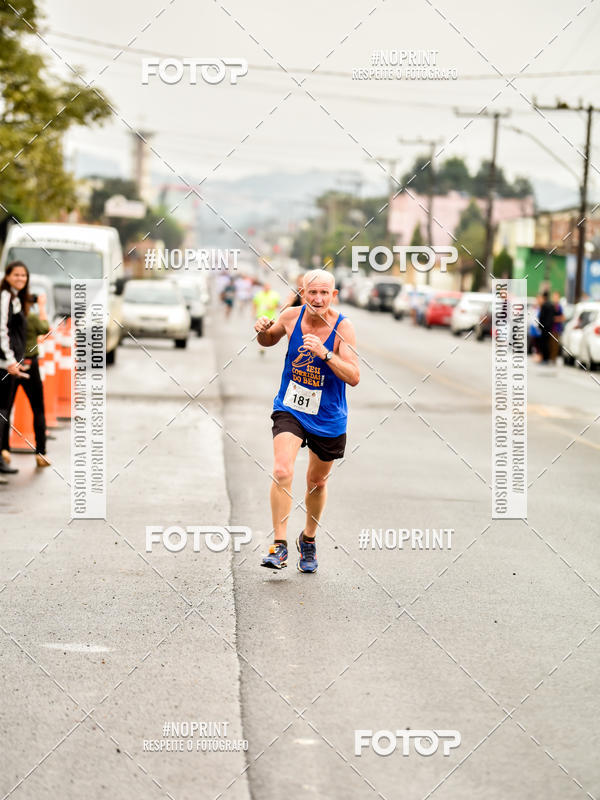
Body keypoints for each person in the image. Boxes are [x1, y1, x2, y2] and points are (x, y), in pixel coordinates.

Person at [254, 269, 360, 573]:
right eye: (312, 292)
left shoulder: (344, 328)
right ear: (303, 292)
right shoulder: (290, 317)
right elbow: (267, 340)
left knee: (317, 481)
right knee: (282, 469)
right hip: (291, 407)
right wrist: (262, 328)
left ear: (333, 296)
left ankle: (308, 539)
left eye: (324, 293)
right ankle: (280, 545)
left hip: (328, 416)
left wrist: (325, 354)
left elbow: (354, 376)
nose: (317, 298)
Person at [2, 290, 51, 467]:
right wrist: (42, 306)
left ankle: (4, 449)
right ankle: (41, 452)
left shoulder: (13, 317)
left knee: (6, 408)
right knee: (38, 408)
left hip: (13, 364)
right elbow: (45, 328)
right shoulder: (31, 317)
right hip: (31, 364)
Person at [0, 261, 31, 480]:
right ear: (8, 276)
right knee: (1, 412)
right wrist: (9, 360)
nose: (20, 278)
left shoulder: (16, 298)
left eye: (24, 275)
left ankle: (1, 458)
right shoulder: (5, 297)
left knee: (4, 411)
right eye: (16, 275)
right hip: (4, 365)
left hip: (12, 363)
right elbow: (1, 330)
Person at [253, 282, 280, 355]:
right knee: (261, 331)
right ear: (263, 287)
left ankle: (265, 345)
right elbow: (255, 304)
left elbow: (278, 306)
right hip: (260, 316)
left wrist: (271, 307)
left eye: (268, 287)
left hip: (271, 317)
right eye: (265, 287)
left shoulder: (274, 295)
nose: (267, 288)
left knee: (268, 332)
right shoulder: (258, 294)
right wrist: (253, 313)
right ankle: (261, 347)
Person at [538, 290, 556, 364]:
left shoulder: (544, 305)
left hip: (544, 327)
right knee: (548, 343)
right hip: (550, 327)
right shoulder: (552, 305)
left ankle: (544, 358)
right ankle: (547, 358)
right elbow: (553, 317)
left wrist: (540, 326)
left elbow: (541, 317)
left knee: (543, 343)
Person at [550, 291, 565, 364]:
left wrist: (555, 319)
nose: (555, 298)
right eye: (554, 297)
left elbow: (563, 317)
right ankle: (550, 357)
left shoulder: (559, 307)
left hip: (556, 328)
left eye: (556, 297)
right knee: (550, 344)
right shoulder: (551, 306)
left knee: (555, 344)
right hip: (550, 328)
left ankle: (553, 358)